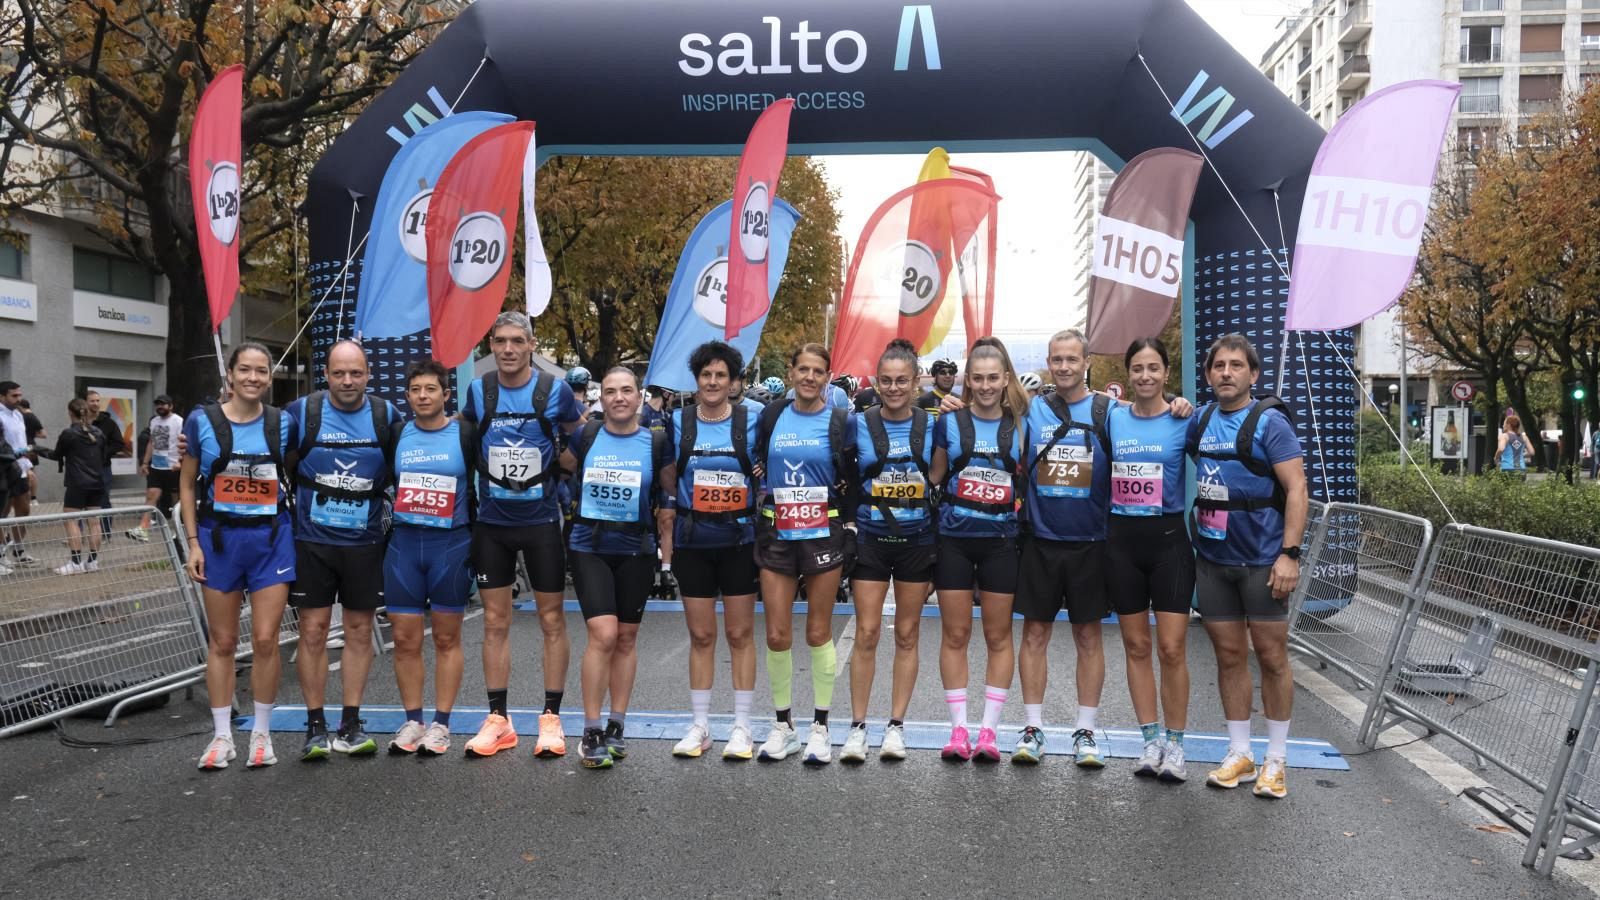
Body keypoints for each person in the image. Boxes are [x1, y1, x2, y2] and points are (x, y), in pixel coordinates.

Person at [1188, 334, 1308, 799]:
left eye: (1236, 365)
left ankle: (1276, 760)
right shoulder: (1199, 420)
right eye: (1218, 365)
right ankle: (1240, 752)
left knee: (1272, 657)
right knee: (1229, 656)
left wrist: (1290, 554)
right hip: (1214, 560)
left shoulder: (1271, 423)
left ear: (1253, 375)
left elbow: (1296, 489)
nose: (1226, 373)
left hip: (1262, 560)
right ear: (1208, 374)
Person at [458, 311, 584, 758]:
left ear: (532, 345)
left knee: (552, 619)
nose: (508, 349)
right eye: (500, 341)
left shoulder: (555, 391)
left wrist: (566, 466)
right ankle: (499, 719)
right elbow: (466, 435)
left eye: (517, 341)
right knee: (495, 621)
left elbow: (579, 435)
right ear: (491, 345)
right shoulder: (479, 390)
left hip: (541, 521)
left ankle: (551, 718)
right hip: (493, 523)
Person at [180, 342, 297, 770]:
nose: (252, 378)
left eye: (261, 371)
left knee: (267, 639)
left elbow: (298, 469)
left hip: (270, 540)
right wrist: (193, 542)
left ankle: (261, 735)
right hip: (219, 542)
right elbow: (188, 483)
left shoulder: (284, 423)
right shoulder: (201, 422)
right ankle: (222, 736)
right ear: (229, 375)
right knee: (224, 641)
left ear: (270, 377)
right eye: (244, 370)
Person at [284, 341, 403, 761]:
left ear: (368, 374)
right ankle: (315, 726)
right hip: (312, 542)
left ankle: (349, 722)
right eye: (339, 373)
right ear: (326, 375)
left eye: (355, 373)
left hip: (365, 543)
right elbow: (266, 450)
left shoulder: (386, 416)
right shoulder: (302, 413)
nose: (347, 381)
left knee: (357, 632)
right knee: (312, 632)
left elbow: (412, 460)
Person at [561, 368, 674, 769]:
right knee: (603, 634)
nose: (619, 397)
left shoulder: (656, 441)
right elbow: (562, 471)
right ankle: (590, 729)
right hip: (589, 546)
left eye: (627, 390)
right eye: (611, 391)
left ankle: (616, 725)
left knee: (626, 637)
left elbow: (668, 492)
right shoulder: (586, 435)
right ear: (601, 398)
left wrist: (667, 555)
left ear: (639, 396)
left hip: (636, 549)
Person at [1014, 329, 1116, 767]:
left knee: (1088, 636)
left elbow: (1151, 415)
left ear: (1086, 360)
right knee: (1034, 634)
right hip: (1040, 540)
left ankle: (1086, 732)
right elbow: (983, 404)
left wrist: (1178, 405)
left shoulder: (1109, 411)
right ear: (1048, 362)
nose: (1064, 367)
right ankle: (1033, 728)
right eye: (1057, 359)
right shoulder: (1032, 410)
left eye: (1072, 359)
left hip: (1091, 543)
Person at [755, 343, 857, 765]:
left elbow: (850, 475)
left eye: (818, 371)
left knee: (818, 631)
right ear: (793, 372)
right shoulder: (772, 415)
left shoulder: (840, 420)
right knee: (777, 634)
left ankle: (820, 726)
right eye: (803, 369)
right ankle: (783, 726)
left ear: (827, 377)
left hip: (822, 529)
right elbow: (758, 459)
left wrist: (849, 528)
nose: (810, 377)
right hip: (777, 528)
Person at [928, 338, 1024, 762]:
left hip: (1001, 542)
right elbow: (933, 477)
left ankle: (989, 731)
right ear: (969, 382)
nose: (985, 386)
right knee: (956, 634)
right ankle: (959, 730)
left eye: (992, 378)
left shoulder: (1023, 423)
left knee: (998, 635)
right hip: (954, 540)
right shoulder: (949, 422)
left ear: (1006, 380)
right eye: (978, 379)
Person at [840, 339, 935, 762]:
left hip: (917, 541)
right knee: (866, 632)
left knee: (908, 634)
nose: (894, 388)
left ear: (916, 382)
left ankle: (896, 725)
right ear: (875, 382)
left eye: (902, 381)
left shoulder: (935, 425)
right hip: (872, 540)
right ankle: (858, 726)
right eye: (886, 381)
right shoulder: (855, 423)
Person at [668, 341, 763, 760]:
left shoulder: (754, 418)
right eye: (706, 375)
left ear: (734, 381)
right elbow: (666, 476)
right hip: (694, 541)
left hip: (739, 541)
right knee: (701, 635)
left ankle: (742, 727)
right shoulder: (678, 422)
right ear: (696, 379)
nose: (712, 382)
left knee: (740, 634)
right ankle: (700, 725)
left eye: (720, 375)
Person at [1107, 338, 1195, 782]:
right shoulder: (1112, 418)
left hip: (1168, 542)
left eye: (1153, 368)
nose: (1145, 376)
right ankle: (1149, 740)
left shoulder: (1183, 418)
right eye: (1138, 368)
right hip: (1122, 542)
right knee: (1137, 646)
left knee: (1172, 647)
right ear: (1128, 374)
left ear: (1165, 373)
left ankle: (1176, 745)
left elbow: (1220, 462)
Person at [384, 360, 473, 757]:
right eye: (416, 389)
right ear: (407, 396)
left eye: (430, 389)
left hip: (450, 545)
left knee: (445, 636)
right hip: (405, 544)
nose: (423, 396)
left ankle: (441, 724)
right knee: (403, 638)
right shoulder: (397, 434)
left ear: (445, 394)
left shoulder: (463, 434)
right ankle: (413, 720)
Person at [34, 398, 107, 575]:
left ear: (70, 413)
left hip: (77, 483)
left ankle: (75, 562)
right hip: (97, 482)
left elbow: (56, 455)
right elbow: (103, 458)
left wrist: (35, 448)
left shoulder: (69, 433)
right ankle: (92, 562)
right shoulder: (99, 433)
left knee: (71, 520)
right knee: (95, 522)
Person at [129, 394, 183, 542]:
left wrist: (180, 462)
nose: (160, 407)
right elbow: (151, 442)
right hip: (156, 467)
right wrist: (145, 463)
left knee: (175, 501)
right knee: (151, 496)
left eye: (163, 404)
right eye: (158, 404)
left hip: (173, 468)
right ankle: (143, 529)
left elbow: (184, 443)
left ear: (171, 406)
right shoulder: (154, 421)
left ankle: (177, 530)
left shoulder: (178, 421)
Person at [0, 381, 37, 571]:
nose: (18, 399)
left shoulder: (19, 415)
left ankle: (18, 549)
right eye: (14, 396)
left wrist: (28, 468)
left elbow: (22, 441)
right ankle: (0, 554)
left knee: (24, 511)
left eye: (19, 395)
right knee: (2, 513)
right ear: (2, 396)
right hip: (4, 471)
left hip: (20, 470)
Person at [85, 390, 127, 543]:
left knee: (103, 500)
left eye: (97, 401)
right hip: (83, 467)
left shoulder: (108, 423)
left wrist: (103, 454)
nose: (95, 404)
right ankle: (80, 533)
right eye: (92, 401)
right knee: (82, 500)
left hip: (103, 468)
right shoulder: (81, 421)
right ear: (86, 402)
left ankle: (105, 533)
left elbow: (118, 443)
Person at [20, 398, 44, 502]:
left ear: (20, 407)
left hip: (24, 447)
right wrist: (31, 434)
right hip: (32, 447)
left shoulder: (21, 416)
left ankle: (26, 498)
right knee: (32, 472)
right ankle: (33, 499)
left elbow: (43, 434)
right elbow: (42, 434)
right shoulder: (33, 417)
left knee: (26, 473)